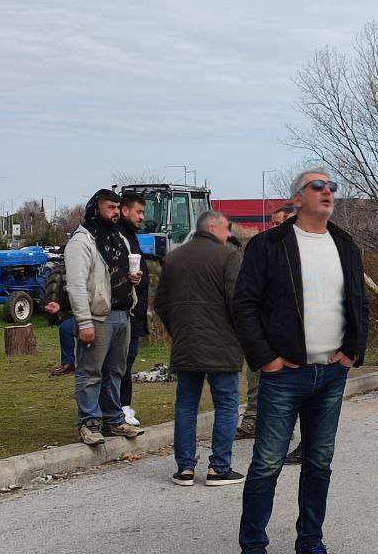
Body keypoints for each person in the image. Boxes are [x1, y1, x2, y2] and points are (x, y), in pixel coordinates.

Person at [232, 169, 368, 554]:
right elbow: (244, 305)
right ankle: (252, 552)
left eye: (331, 187)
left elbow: (358, 302)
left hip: (330, 374)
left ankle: (310, 546)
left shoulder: (345, 245)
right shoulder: (269, 245)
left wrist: (352, 352)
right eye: (317, 186)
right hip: (284, 375)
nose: (328, 191)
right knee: (267, 464)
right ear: (297, 198)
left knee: (319, 462)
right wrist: (266, 359)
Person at [154, 210, 245, 485]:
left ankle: (185, 468)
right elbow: (237, 302)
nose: (229, 234)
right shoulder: (228, 256)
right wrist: (241, 335)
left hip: (186, 344)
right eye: (226, 228)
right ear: (213, 228)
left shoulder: (174, 258)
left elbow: (160, 303)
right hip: (222, 345)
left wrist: (178, 330)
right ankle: (219, 468)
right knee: (226, 404)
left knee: (186, 405)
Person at [64, 189, 144, 445]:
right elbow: (76, 285)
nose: (116, 212)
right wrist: (84, 321)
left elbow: (117, 272)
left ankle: (113, 419)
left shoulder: (118, 237)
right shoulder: (82, 242)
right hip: (97, 318)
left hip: (123, 313)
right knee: (90, 372)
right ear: (95, 208)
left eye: (117, 207)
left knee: (115, 371)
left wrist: (133, 279)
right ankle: (88, 423)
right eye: (110, 207)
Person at [236, 203, 298, 446]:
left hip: (287, 331)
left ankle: (283, 427)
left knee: (286, 383)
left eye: (277, 223)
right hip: (261, 327)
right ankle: (252, 420)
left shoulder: (300, 254)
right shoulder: (261, 248)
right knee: (255, 376)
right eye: (271, 223)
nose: (273, 228)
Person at [117, 192, 151, 426]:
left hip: (135, 314)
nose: (141, 217)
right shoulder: (119, 237)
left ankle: (123, 405)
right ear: (125, 210)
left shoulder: (131, 236)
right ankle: (121, 407)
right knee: (122, 363)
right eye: (138, 212)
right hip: (126, 313)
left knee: (128, 360)